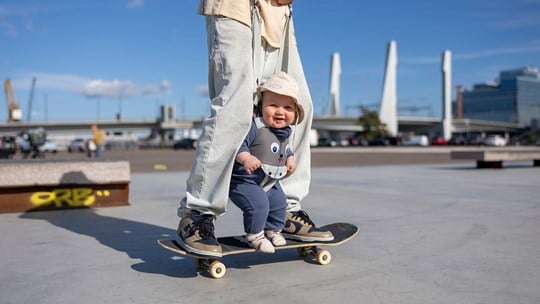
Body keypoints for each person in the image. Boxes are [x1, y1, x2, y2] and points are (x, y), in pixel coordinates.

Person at [177, 0, 333, 258]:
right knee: (234, 107)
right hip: (233, 7)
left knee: (298, 105)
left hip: (278, 13)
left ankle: (285, 209)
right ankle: (197, 213)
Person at [230, 72, 302, 253]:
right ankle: (255, 235)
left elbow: (286, 150)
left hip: (270, 182)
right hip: (245, 181)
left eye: (287, 108)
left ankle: (273, 230)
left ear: (295, 112)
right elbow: (238, 146)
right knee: (259, 205)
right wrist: (246, 157)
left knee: (279, 203)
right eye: (273, 105)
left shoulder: (286, 132)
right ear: (261, 106)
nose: (280, 111)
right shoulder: (255, 126)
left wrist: (291, 159)